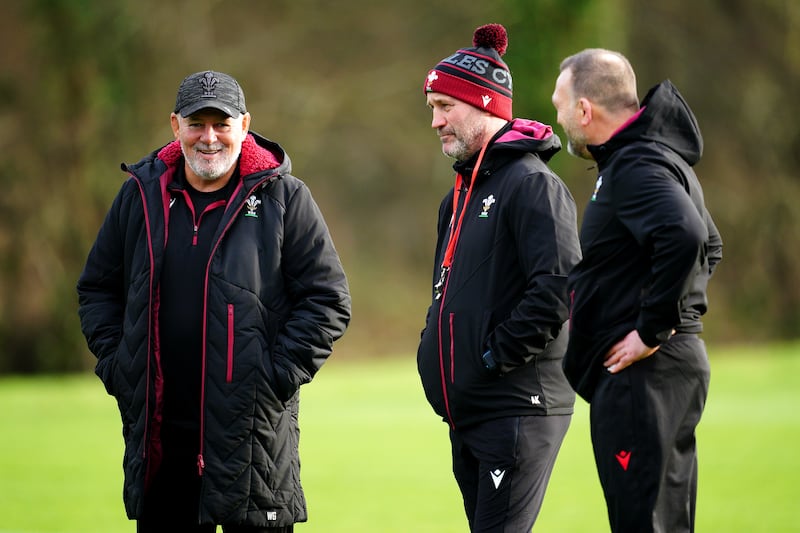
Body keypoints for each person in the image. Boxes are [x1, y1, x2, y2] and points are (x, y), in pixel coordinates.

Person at [77, 70, 351, 532]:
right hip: (161, 443)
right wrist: (119, 364)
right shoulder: (139, 197)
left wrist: (275, 375)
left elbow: (327, 301)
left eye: (221, 124)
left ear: (244, 126)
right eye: (196, 123)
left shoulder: (285, 198)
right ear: (175, 127)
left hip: (252, 442)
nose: (209, 138)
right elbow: (97, 290)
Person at [417, 24, 582, 532]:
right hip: (469, 413)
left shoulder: (533, 185)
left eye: (446, 106)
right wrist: (435, 356)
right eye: (432, 108)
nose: (436, 121)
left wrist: (491, 357)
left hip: (516, 408)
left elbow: (558, 289)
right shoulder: (458, 196)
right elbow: (446, 296)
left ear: (486, 103)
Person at [551, 49, 723, 532]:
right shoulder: (652, 158)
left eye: (560, 105)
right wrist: (676, 318)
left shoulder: (635, 166)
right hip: (661, 375)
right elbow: (711, 243)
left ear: (584, 110)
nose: (559, 119)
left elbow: (687, 237)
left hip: (644, 379)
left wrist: (654, 327)